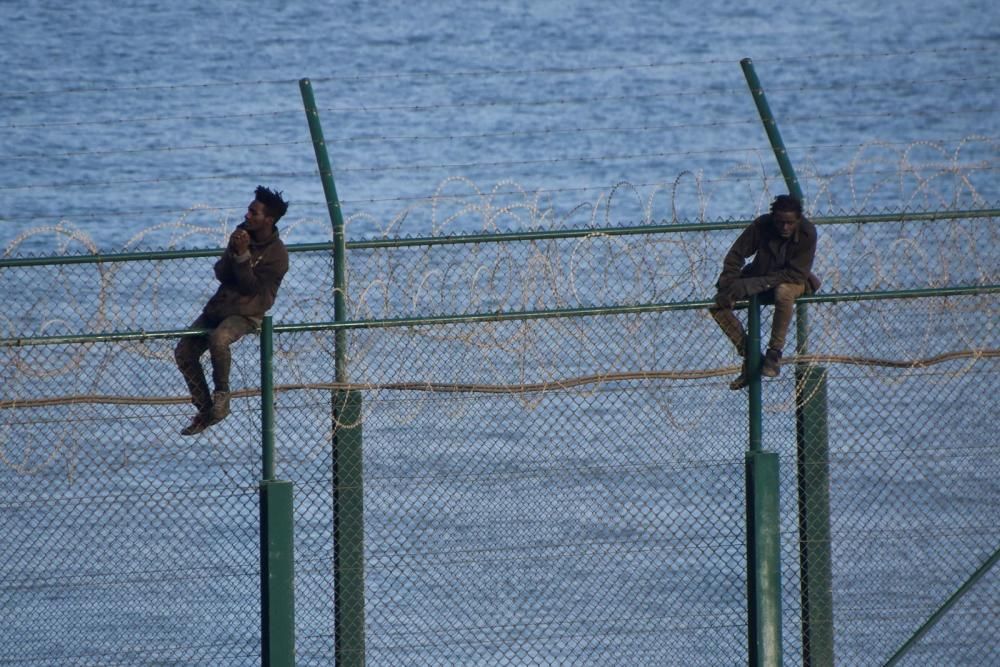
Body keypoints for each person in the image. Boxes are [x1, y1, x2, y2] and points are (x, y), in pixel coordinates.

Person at [175, 186, 290, 435]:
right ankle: (206, 410)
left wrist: (242, 256)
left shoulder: (277, 255)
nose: (247, 216)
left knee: (220, 339)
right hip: (220, 307)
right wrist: (233, 252)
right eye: (248, 211)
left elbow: (251, 288)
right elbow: (221, 274)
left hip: (247, 313)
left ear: (268, 219)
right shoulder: (241, 236)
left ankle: (222, 397)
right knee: (184, 351)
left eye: (253, 213)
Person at [709, 194, 818, 390]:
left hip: (793, 281)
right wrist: (728, 283)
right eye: (780, 222)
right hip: (760, 275)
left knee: (784, 293)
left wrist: (752, 285)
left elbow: (795, 274)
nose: (785, 227)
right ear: (773, 218)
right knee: (718, 305)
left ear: (798, 220)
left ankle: (774, 353)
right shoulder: (762, 225)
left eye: (790, 223)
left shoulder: (808, 233)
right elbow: (736, 255)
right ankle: (752, 356)